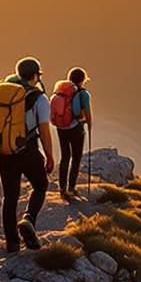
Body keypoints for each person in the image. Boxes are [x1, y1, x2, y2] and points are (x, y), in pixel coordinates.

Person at [0, 57, 58, 252]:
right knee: (40, 185)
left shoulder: (4, 90)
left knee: (10, 196)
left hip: (4, 150)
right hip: (27, 149)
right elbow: (44, 131)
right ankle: (28, 219)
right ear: (35, 76)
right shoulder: (39, 98)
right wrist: (50, 156)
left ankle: (12, 243)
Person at [53, 66, 91, 200]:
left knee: (65, 156)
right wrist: (89, 125)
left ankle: (62, 188)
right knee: (76, 157)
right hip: (76, 128)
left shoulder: (61, 92)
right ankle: (72, 187)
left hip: (61, 127)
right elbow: (87, 113)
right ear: (82, 80)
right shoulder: (83, 94)